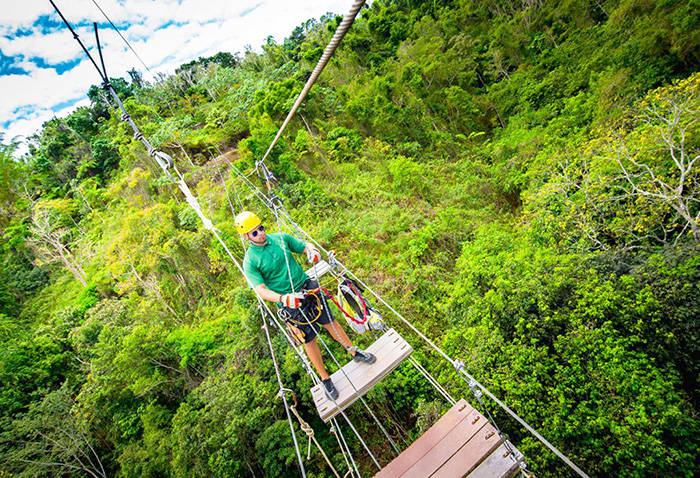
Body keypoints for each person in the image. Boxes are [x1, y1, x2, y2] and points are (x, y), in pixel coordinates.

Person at [235, 211, 375, 400]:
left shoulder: (280, 239)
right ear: (246, 237)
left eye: (261, 228)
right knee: (308, 339)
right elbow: (261, 290)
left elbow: (303, 246)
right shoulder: (250, 261)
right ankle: (325, 379)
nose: (260, 233)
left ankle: (353, 351)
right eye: (254, 232)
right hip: (288, 300)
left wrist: (312, 251)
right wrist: (283, 299)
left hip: (306, 285)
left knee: (330, 321)